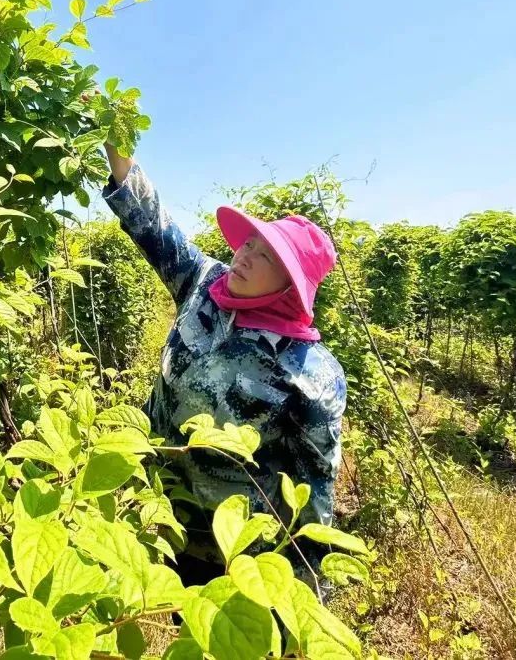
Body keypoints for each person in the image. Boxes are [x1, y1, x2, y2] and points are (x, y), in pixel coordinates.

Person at [101, 143, 347, 588]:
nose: (244, 256)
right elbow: (153, 226)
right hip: (158, 509)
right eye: (248, 243)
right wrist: (116, 147)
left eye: (266, 256)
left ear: (290, 285)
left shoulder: (311, 372)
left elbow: (315, 491)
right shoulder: (205, 284)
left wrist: (305, 595)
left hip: (231, 549)